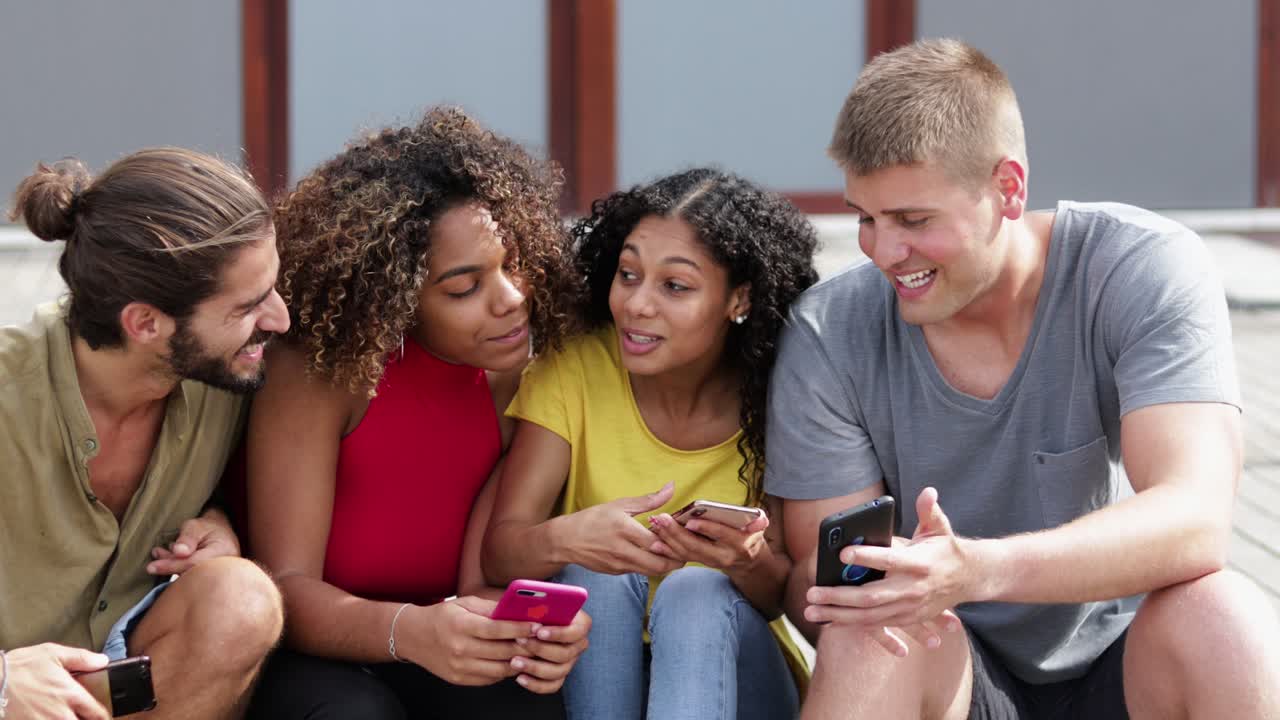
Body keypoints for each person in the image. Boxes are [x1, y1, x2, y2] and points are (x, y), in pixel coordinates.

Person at [767, 38, 1280, 720]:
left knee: (1226, 616)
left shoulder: (1138, 268)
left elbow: (1198, 519)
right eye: (866, 218)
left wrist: (975, 569)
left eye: (914, 220)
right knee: (870, 632)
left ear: (1007, 189)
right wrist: (874, 583)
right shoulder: (829, 332)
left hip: (1120, 665)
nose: (884, 252)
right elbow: (816, 587)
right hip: (949, 670)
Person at [241, 107, 589, 720]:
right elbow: (284, 589)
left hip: (442, 642)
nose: (510, 301)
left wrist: (535, 634)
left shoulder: (518, 376)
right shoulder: (323, 372)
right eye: (463, 288)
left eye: (513, 265)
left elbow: (479, 578)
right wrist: (413, 632)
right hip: (315, 655)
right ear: (395, 297)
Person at [482, 168, 820, 720]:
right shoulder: (577, 368)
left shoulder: (778, 389)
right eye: (629, 274)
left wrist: (745, 558)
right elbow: (499, 555)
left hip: (734, 677)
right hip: (597, 666)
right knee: (596, 576)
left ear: (739, 299)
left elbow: (778, 596)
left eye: (675, 286)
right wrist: (567, 538)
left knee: (696, 592)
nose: (637, 304)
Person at [0, 148, 288, 719]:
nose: (280, 319)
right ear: (145, 323)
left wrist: (222, 523)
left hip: (135, 684)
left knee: (242, 600)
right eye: (249, 306)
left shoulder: (228, 378)